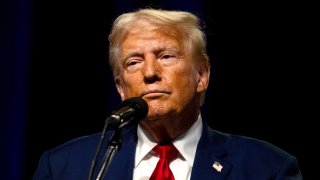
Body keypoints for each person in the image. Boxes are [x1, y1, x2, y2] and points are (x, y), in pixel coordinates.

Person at [33, 8, 303, 180]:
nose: (150, 72)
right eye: (134, 62)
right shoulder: (63, 168)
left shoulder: (267, 169)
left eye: (166, 56)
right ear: (120, 86)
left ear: (202, 76)